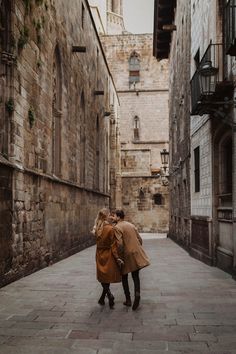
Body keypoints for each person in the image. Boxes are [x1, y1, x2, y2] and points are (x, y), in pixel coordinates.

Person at [114, 209, 150, 311]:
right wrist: (136, 249)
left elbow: (120, 244)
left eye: (115, 216)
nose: (114, 217)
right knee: (135, 276)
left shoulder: (117, 227)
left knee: (124, 276)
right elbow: (140, 239)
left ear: (118, 217)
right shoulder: (131, 225)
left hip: (126, 255)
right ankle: (137, 294)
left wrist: (119, 257)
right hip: (135, 253)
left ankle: (128, 300)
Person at [93, 208, 123, 309]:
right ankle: (109, 296)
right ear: (106, 216)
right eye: (109, 214)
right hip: (108, 253)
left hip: (99, 253)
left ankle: (103, 297)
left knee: (102, 275)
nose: (111, 216)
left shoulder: (97, 227)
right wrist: (117, 257)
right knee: (106, 276)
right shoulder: (110, 229)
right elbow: (113, 245)